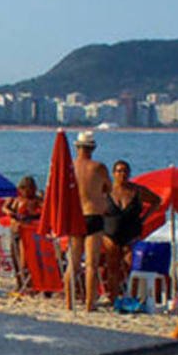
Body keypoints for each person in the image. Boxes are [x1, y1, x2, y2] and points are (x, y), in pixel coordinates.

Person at [102, 160, 161, 300]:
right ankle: (113, 298)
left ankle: (132, 296)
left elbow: (156, 201)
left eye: (125, 171)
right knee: (113, 268)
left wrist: (145, 217)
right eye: (119, 171)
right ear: (113, 173)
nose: (122, 174)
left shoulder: (137, 191)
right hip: (110, 234)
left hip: (132, 234)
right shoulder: (106, 191)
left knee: (132, 267)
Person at [66, 131, 111, 312]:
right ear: (93, 148)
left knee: (73, 263)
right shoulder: (98, 167)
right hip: (93, 214)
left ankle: (69, 303)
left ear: (77, 147)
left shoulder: (70, 167)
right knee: (91, 264)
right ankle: (88, 304)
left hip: (76, 215)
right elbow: (108, 187)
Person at [2, 175, 42, 291]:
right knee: (15, 258)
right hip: (15, 230)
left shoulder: (36, 200)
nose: (27, 191)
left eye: (30, 189)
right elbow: (4, 207)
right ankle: (19, 283)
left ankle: (27, 284)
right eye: (25, 189)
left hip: (27, 231)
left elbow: (45, 210)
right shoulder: (15, 198)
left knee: (25, 261)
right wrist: (10, 213)